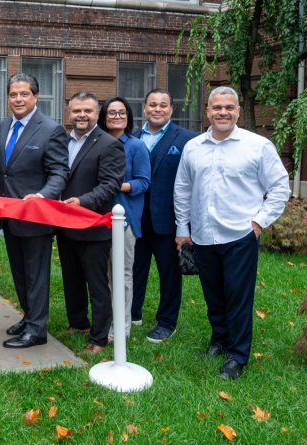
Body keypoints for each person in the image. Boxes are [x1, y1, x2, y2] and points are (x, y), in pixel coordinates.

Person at [174, 86, 289, 379]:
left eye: (229, 107)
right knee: (213, 294)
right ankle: (219, 340)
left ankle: (238, 355)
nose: (222, 112)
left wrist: (259, 222)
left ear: (237, 111)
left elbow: (279, 187)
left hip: (240, 234)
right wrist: (183, 227)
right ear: (208, 112)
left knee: (238, 296)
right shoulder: (194, 147)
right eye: (216, 108)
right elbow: (183, 189)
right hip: (202, 234)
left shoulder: (257, 146)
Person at [0, 74, 69, 349]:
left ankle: (37, 330)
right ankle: (29, 317)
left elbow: (60, 172)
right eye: (13, 94)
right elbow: (6, 171)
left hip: (36, 217)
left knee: (36, 275)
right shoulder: (3, 127)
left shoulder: (51, 129)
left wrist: (41, 195)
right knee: (19, 273)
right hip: (9, 216)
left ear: (35, 96)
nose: (18, 99)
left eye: (24, 94)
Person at [57, 92, 124, 354]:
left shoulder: (108, 144)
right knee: (71, 277)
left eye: (87, 111)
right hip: (64, 223)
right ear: (69, 113)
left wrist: (82, 201)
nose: (81, 115)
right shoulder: (63, 141)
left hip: (93, 225)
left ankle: (98, 338)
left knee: (96, 284)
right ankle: (78, 323)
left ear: (97, 114)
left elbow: (110, 185)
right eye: (76, 111)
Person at [132, 88, 197, 343]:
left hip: (169, 220)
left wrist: (186, 224)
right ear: (144, 108)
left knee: (169, 273)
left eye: (163, 105)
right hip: (136, 219)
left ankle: (167, 322)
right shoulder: (133, 137)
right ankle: (132, 312)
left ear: (171, 109)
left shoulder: (187, 140)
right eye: (152, 105)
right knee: (134, 269)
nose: (157, 109)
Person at [96, 97, 151, 340]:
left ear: (128, 117)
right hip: (97, 217)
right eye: (111, 112)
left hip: (124, 218)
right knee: (103, 275)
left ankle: (122, 328)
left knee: (122, 274)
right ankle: (104, 322)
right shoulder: (97, 142)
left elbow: (144, 182)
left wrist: (116, 185)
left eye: (121, 113)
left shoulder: (136, 146)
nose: (116, 117)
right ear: (104, 117)